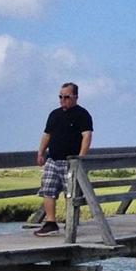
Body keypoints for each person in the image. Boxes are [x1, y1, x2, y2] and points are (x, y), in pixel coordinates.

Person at [35, 82, 93, 235]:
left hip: (71, 161)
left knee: (71, 192)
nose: (62, 100)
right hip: (53, 159)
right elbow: (47, 134)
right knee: (48, 189)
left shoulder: (82, 114)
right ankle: (50, 222)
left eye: (66, 97)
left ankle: (71, 222)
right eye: (60, 97)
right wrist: (41, 152)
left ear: (75, 97)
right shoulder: (54, 114)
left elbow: (86, 136)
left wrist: (81, 157)